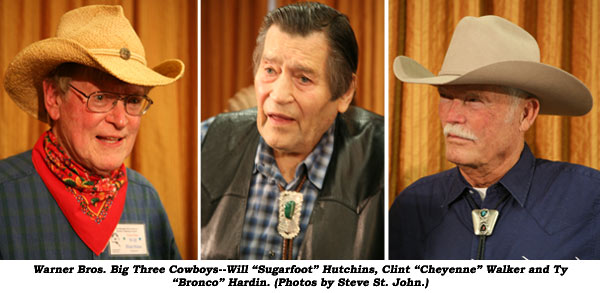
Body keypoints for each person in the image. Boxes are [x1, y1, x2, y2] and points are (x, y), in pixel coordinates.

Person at [389, 15, 599, 260]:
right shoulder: (413, 206)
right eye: (445, 96)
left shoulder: (588, 200)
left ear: (526, 114)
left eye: (474, 100)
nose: (452, 117)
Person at [201, 2, 383, 260]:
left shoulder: (383, 157)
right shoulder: (207, 142)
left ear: (344, 92)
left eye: (304, 78)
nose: (278, 95)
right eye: (270, 71)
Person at [0, 5, 184, 259]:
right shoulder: (5, 194)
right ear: (53, 98)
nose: (120, 120)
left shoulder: (146, 199)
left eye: (132, 100)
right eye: (100, 97)